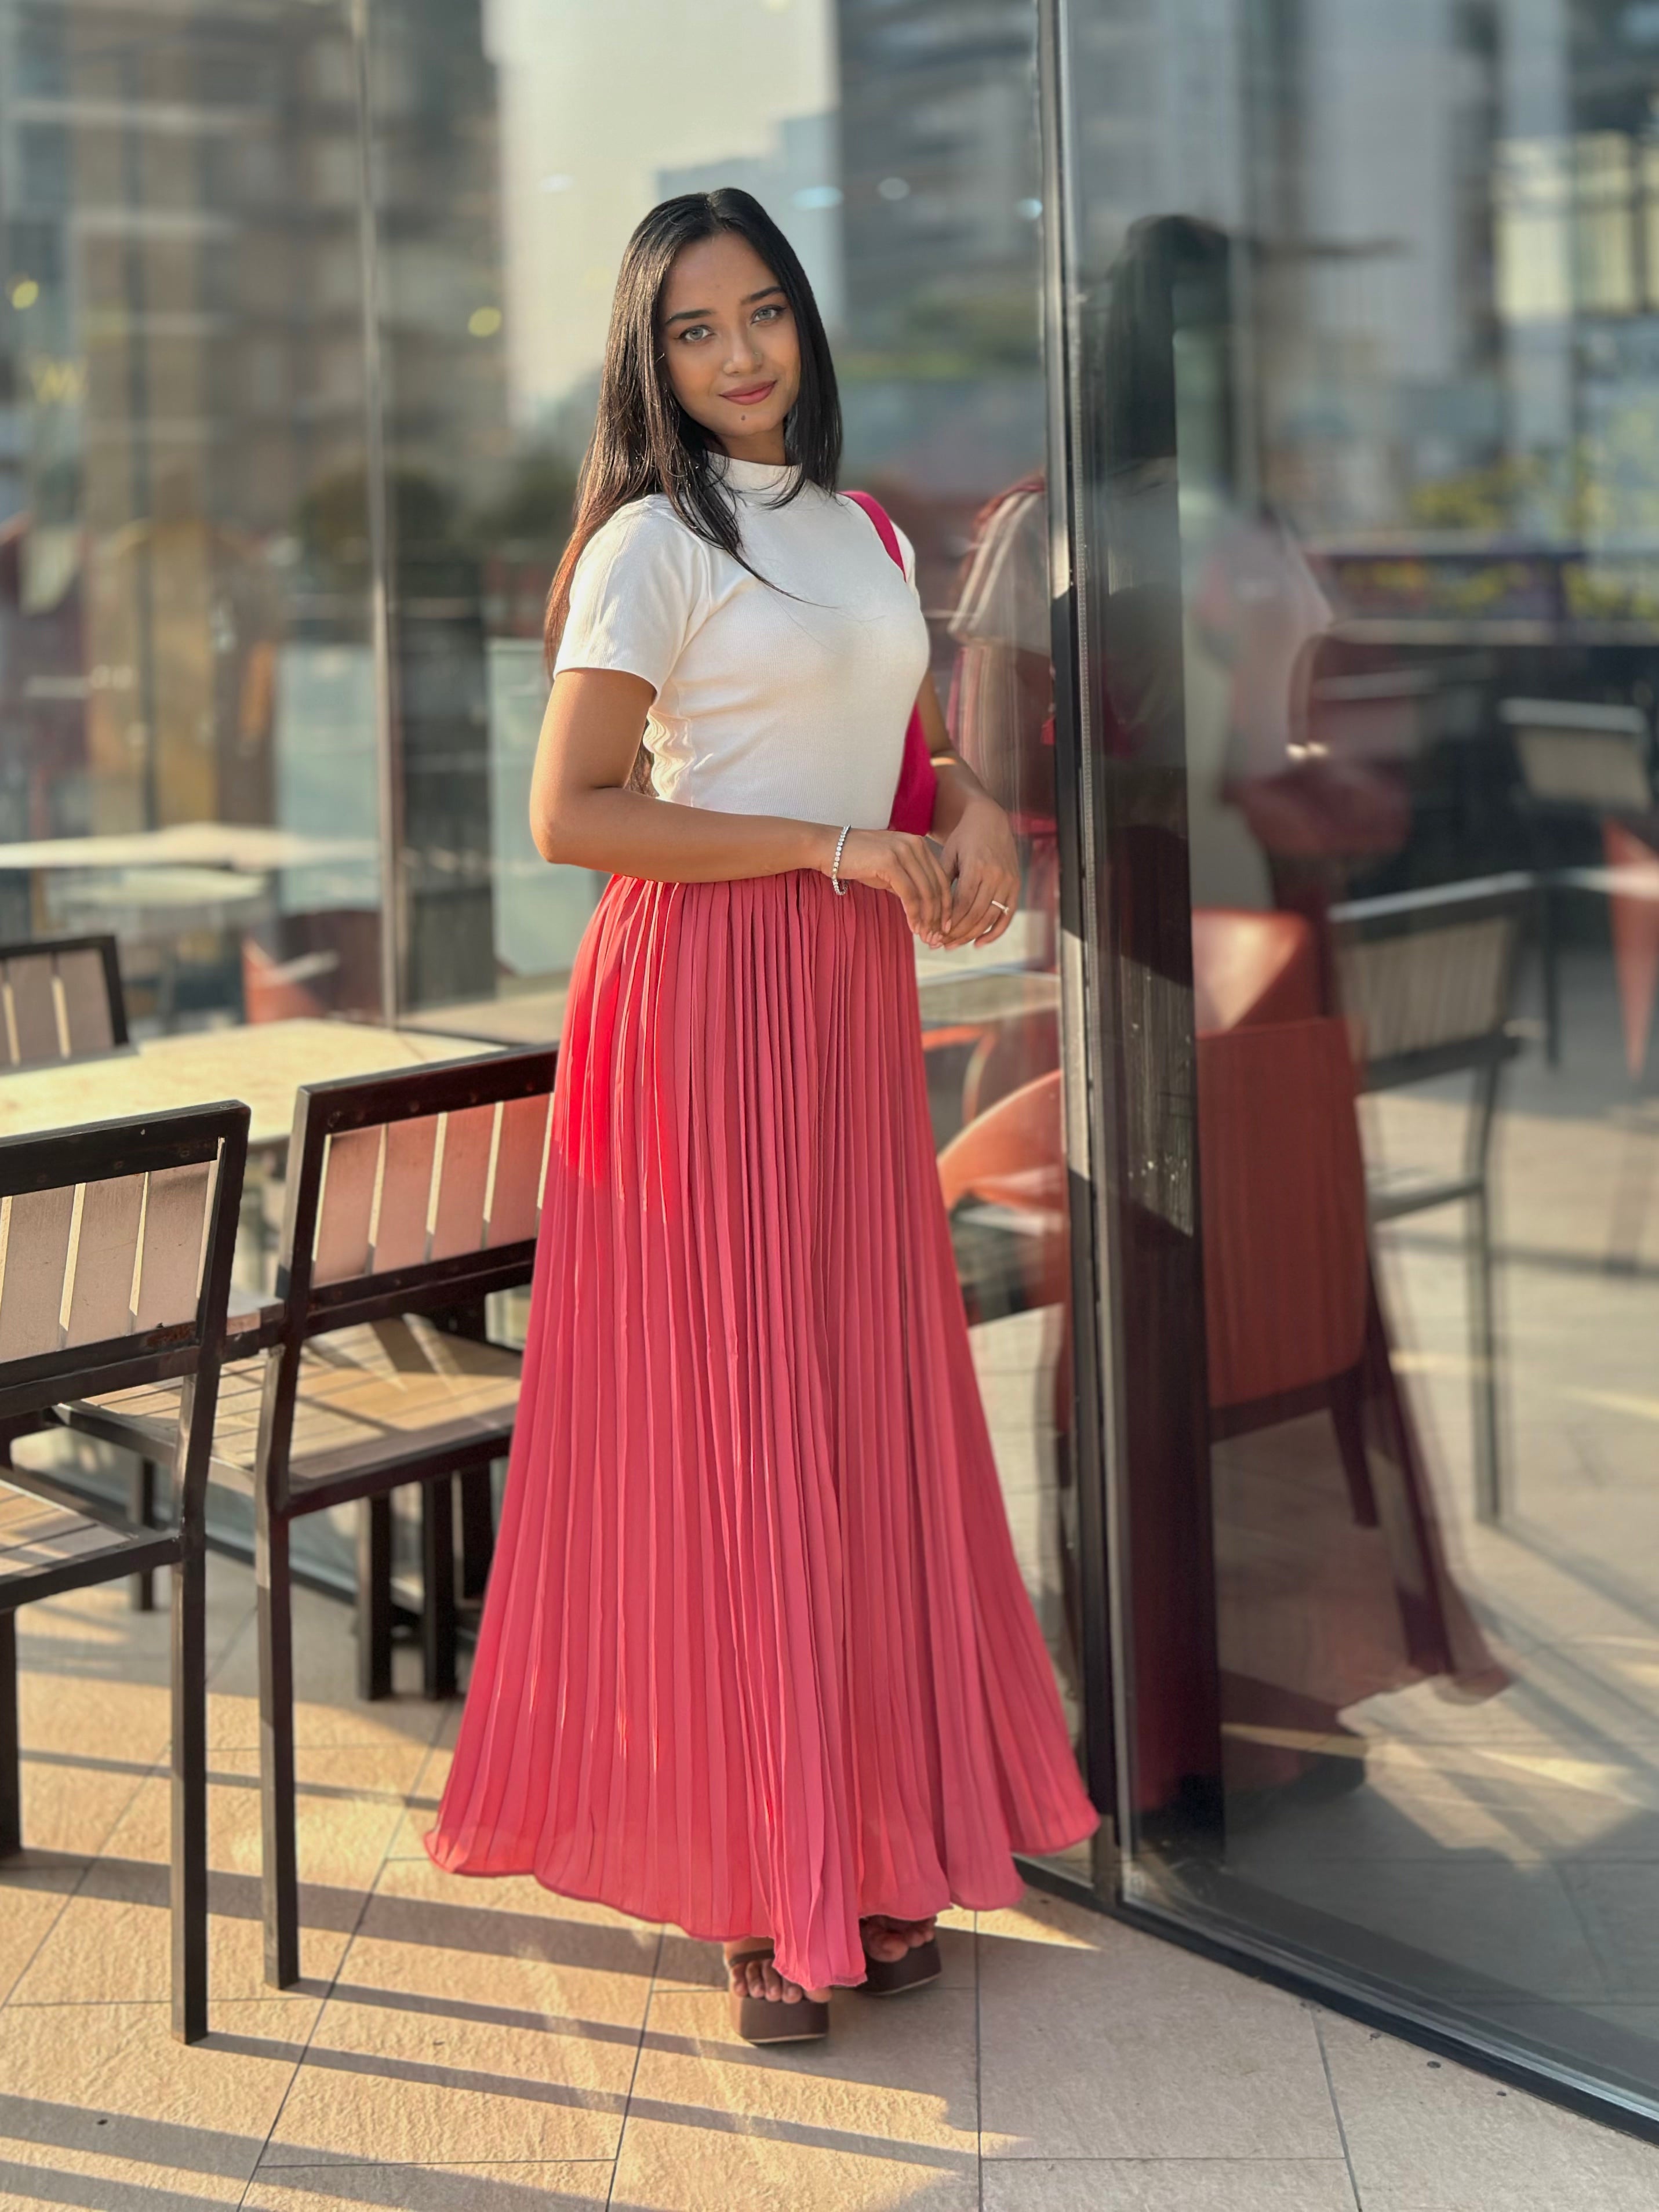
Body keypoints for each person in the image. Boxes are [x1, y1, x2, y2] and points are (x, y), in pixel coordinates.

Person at [425, 187, 1098, 2046]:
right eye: (693, 331)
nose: (737, 356)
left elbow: (909, 744)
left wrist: (966, 809)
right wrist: (833, 848)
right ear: (647, 361)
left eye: (761, 315)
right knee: (737, 1415)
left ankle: (858, 1836)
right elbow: (570, 816)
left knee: (848, 1406)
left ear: (805, 320)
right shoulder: (652, 542)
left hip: (843, 1000)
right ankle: (754, 1878)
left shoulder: (869, 528)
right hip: (707, 999)